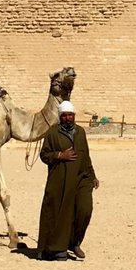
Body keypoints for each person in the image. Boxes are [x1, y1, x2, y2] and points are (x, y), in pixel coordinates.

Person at [37, 99, 98, 260]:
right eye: (65, 115)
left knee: (85, 210)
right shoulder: (52, 133)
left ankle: (75, 242)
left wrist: (92, 175)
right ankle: (57, 248)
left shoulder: (80, 132)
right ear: (60, 116)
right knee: (61, 213)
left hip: (82, 178)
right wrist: (59, 155)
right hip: (61, 180)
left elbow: (85, 154)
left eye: (71, 115)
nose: (68, 118)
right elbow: (44, 155)